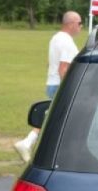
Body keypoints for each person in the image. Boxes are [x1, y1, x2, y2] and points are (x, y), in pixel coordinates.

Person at [14, 10, 83, 162]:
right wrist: (69, 89)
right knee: (63, 119)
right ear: (71, 24)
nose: (81, 27)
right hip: (60, 85)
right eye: (79, 23)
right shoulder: (66, 42)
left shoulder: (56, 38)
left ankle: (31, 143)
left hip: (51, 83)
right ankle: (29, 143)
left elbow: (50, 63)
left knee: (56, 119)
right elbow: (63, 69)